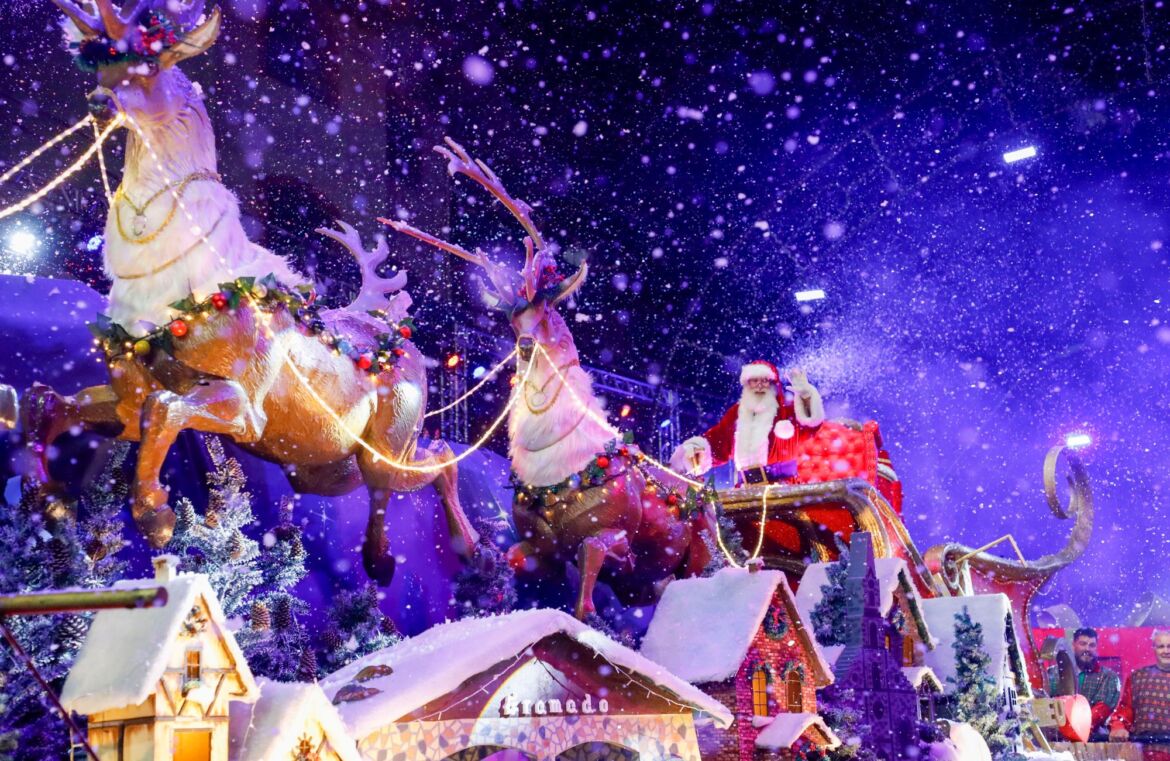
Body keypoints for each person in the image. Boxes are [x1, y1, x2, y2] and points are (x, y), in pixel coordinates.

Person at [670, 360, 824, 484]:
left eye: (764, 381)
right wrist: (695, 452)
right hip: (746, 492)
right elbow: (718, 442)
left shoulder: (785, 413)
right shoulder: (736, 414)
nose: (758, 386)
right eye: (753, 381)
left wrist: (806, 396)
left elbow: (810, 425)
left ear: (773, 385)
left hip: (783, 489)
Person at [1046, 628, 1121, 739]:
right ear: (1073, 645)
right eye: (1083, 644)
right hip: (1056, 738)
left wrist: (1076, 729)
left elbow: (1101, 711)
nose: (1087, 649)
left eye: (1092, 645)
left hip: (1093, 739)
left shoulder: (1109, 677)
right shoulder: (1053, 673)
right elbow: (1046, 704)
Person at [1110, 630, 1170, 759]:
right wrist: (1118, 727)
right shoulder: (1138, 677)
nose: (1166, 651)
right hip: (1143, 752)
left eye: (1169, 646)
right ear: (1154, 648)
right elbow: (1125, 709)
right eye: (1161, 646)